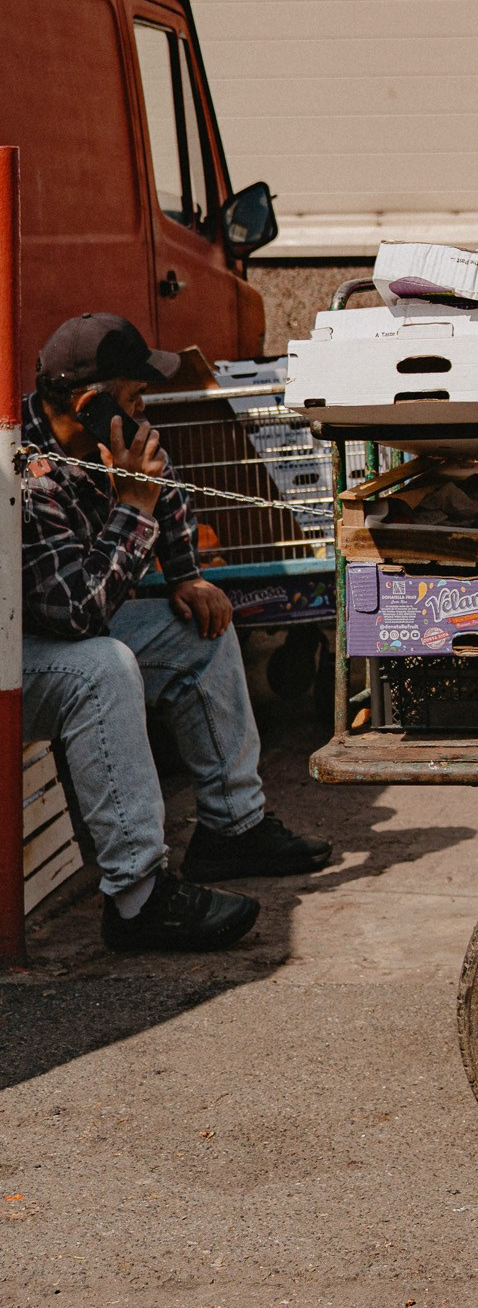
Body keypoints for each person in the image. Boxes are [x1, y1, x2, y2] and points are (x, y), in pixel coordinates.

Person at [22, 312, 334, 954]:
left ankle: (232, 828)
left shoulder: (95, 443)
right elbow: (79, 612)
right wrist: (133, 505)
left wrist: (188, 576)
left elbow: (168, 488)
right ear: (90, 403)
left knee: (201, 626)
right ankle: (137, 899)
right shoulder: (27, 476)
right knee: (103, 668)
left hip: (52, 634)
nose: (142, 414)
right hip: (15, 656)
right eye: (132, 399)